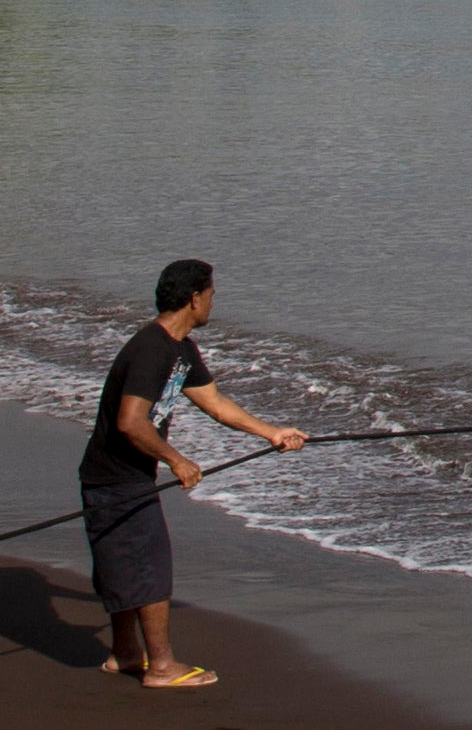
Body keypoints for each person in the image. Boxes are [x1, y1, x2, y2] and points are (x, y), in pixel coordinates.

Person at [80, 257, 306, 691]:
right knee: (148, 566)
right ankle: (161, 667)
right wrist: (176, 459)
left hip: (122, 477)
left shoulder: (181, 349)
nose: (213, 303)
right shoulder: (151, 348)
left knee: (124, 564)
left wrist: (272, 433)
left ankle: (127, 653)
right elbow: (131, 421)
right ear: (193, 299)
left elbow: (216, 403)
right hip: (114, 479)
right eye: (211, 295)